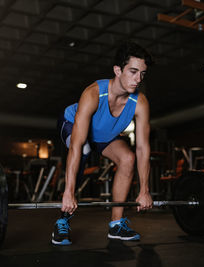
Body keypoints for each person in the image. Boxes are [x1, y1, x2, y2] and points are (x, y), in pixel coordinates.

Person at [52, 41, 153, 245]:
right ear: (117, 70)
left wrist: (145, 190)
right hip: (72, 125)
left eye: (142, 73)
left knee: (128, 158)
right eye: (133, 71)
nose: (138, 79)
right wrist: (69, 192)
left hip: (103, 136)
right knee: (85, 149)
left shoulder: (139, 103)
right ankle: (62, 221)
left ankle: (116, 225)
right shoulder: (93, 93)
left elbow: (142, 148)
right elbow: (77, 146)